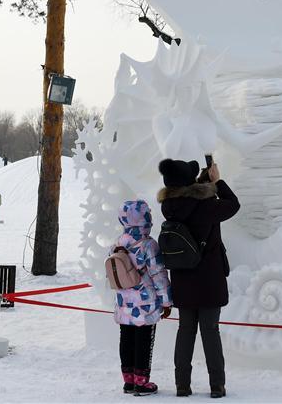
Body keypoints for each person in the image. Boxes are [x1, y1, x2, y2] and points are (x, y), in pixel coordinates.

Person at [158, 158, 240, 399]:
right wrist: (217, 181)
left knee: (185, 330)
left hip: (183, 279)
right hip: (209, 279)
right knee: (210, 331)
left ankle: (182, 385)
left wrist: (202, 182)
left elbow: (190, 197)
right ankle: (217, 385)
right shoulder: (206, 207)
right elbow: (233, 205)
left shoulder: (169, 206)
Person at [112, 200, 173, 396]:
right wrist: (166, 301)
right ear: (144, 219)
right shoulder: (148, 245)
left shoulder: (117, 244)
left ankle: (128, 381)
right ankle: (142, 382)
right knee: (144, 340)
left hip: (123, 304)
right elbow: (159, 274)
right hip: (145, 305)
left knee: (126, 338)